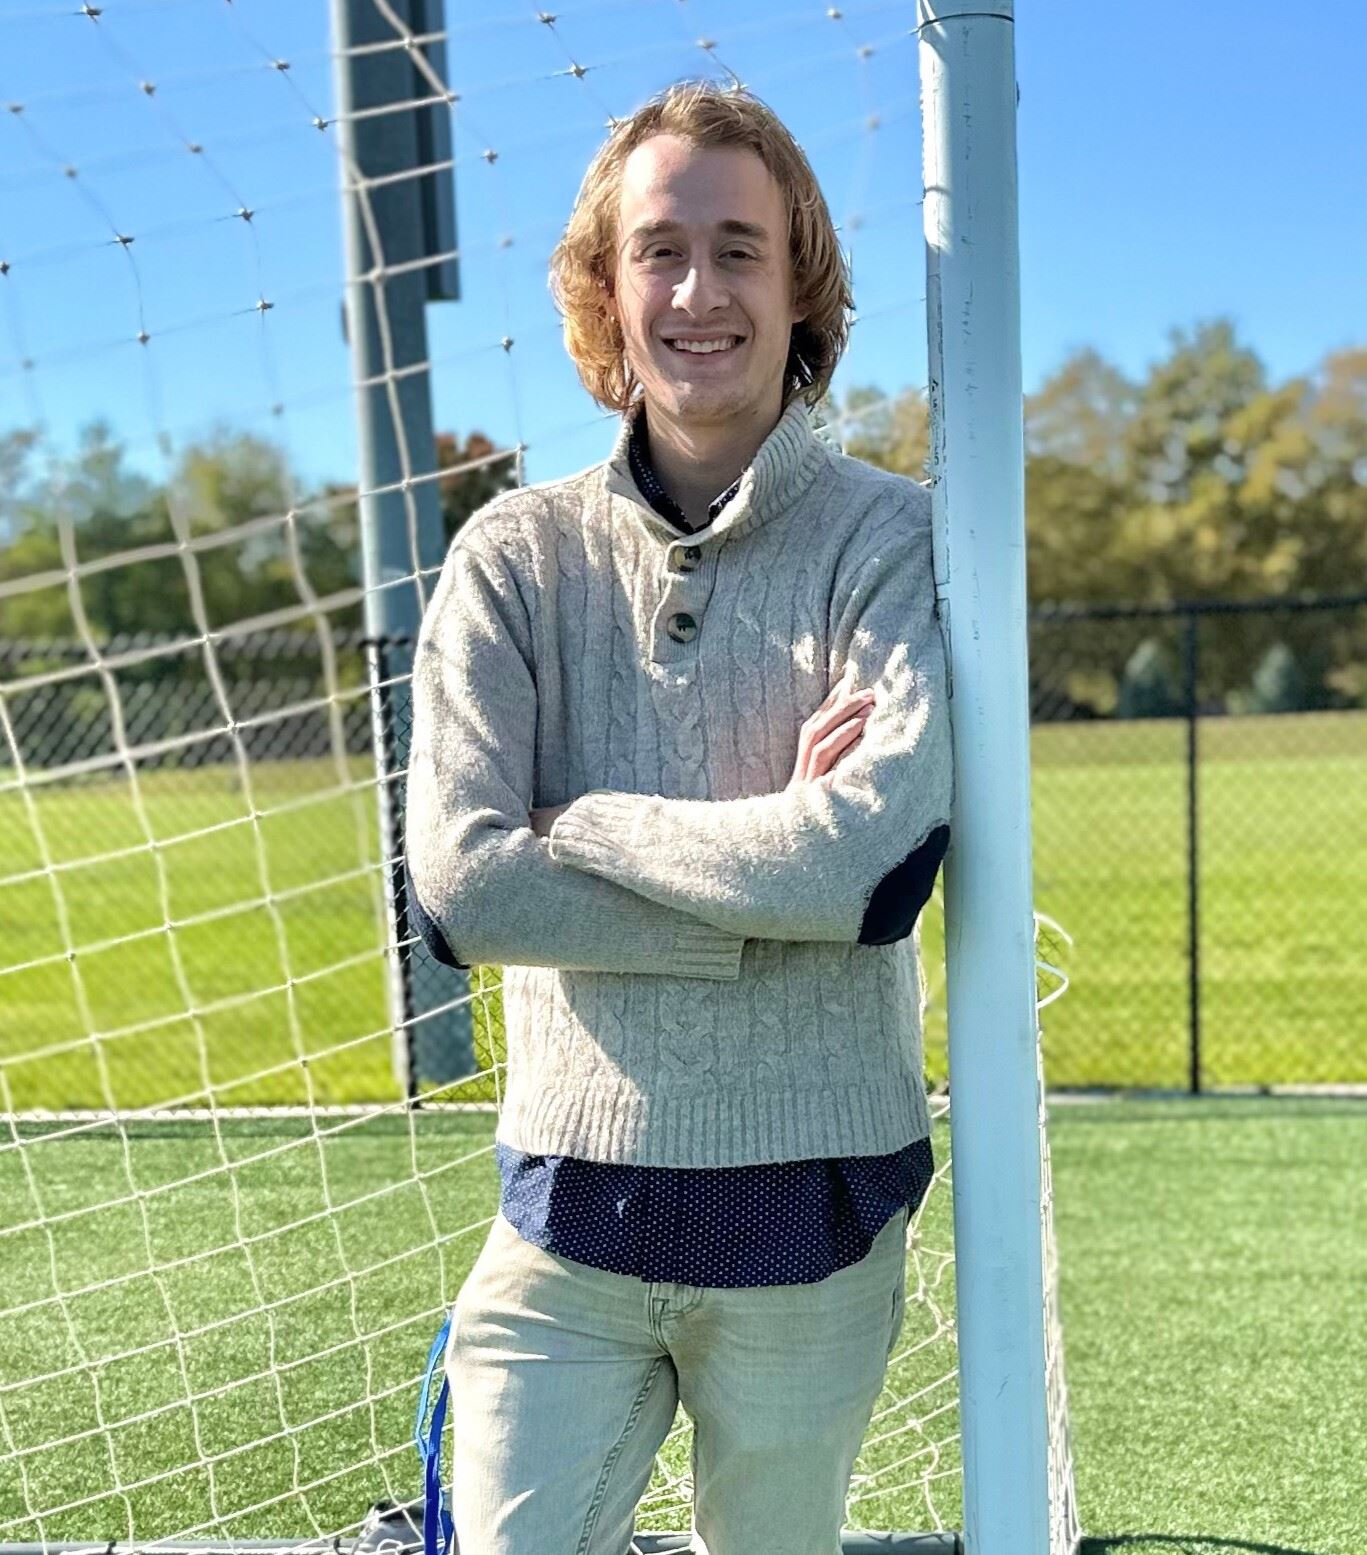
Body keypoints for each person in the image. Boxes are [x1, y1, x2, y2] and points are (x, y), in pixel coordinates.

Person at [404, 77, 953, 1555]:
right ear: (605, 286)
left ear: (800, 286)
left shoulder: (895, 539)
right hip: (567, 1215)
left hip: (813, 1215)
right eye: (659, 248)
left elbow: (865, 867)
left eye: (739, 248)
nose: (697, 289)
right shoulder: (512, 557)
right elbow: (464, 892)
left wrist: (573, 822)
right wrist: (755, 859)